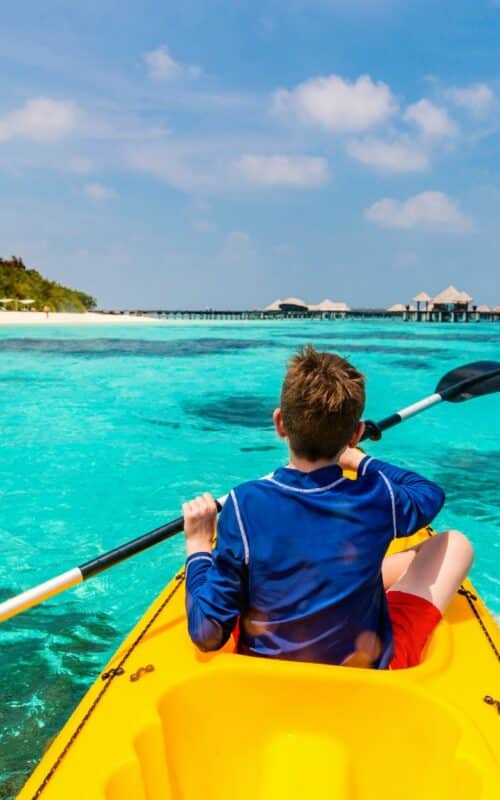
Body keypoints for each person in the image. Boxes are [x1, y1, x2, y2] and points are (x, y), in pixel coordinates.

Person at [182, 346, 473, 669]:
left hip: (267, 674)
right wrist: (363, 461)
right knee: (455, 543)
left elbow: (207, 634)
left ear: (280, 423)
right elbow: (428, 493)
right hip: (364, 671)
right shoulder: (378, 496)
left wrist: (197, 544)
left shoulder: (243, 503)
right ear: (357, 434)